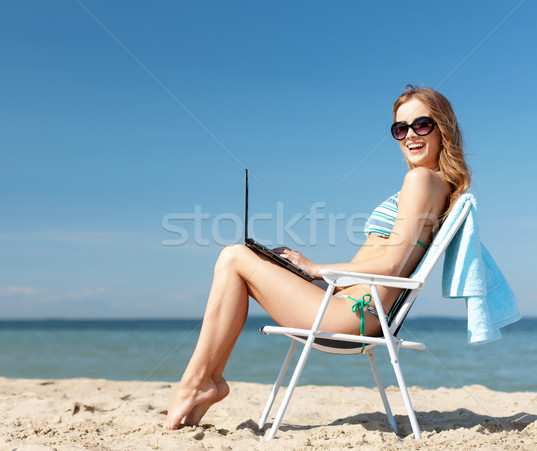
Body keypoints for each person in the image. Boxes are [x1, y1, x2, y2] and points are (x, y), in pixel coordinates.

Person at [164, 85, 471, 430]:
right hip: (353, 307)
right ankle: (205, 380)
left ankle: (200, 382)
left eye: (422, 125)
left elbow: (390, 266)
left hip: (351, 316)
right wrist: (312, 274)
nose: (410, 135)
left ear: (442, 126)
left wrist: (316, 268)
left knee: (234, 257)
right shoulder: (437, 185)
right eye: (400, 128)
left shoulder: (420, 179)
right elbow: (386, 264)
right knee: (243, 258)